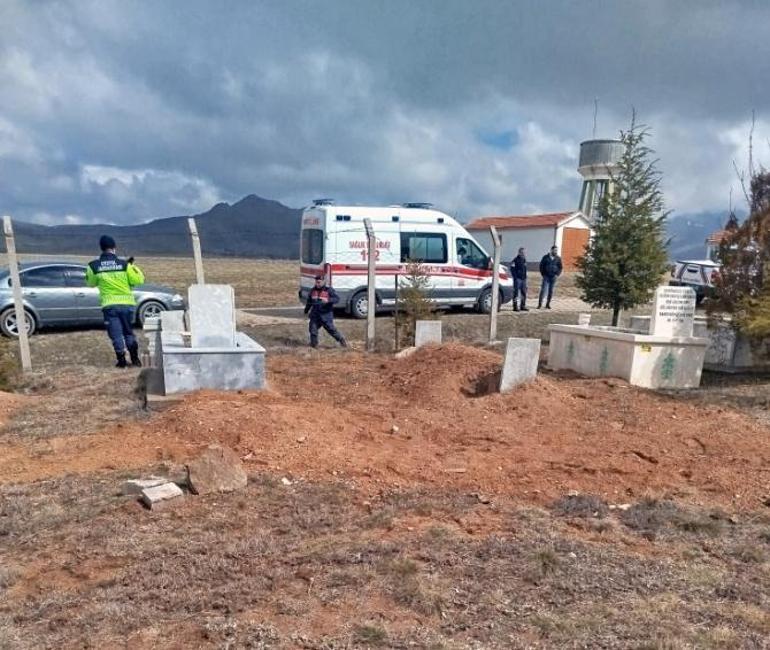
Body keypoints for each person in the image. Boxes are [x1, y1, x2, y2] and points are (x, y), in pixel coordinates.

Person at [86, 235, 146, 368]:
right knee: (128, 332)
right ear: (114, 248)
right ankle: (135, 360)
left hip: (110, 306)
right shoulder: (125, 265)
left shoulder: (93, 266)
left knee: (116, 334)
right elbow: (139, 280)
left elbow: (90, 283)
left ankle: (122, 361)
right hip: (127, 304)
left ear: (101, 248)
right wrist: (132, 266)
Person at [304, 275, 347, 348]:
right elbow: (309, 301)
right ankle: (314, 345)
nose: (318, 284)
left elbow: (337, 299)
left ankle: (341, 340)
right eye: (317, 282)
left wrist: (328, 300)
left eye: (319, 282)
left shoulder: (329, 290)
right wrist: (306, 310)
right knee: (312, 329)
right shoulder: (313, 290)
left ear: (323, 282)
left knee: (331, 330)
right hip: (315, 315)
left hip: (326, 315)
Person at [538, 245, 563, 309]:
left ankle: (548, 304)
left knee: (551, 291)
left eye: (556, 250)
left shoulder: (558, 258)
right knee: (543, 290)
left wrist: (557, 274)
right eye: (555, 250)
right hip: (546, 276)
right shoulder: (545, 257)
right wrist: (543, 274)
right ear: (551, 250)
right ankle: (540, 304)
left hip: (553, 277)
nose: (556, 251)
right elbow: (541, 266)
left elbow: (560, 267)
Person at [510, 247, 529, 311]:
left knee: (524, 293)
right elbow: (512, 269)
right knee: (516, 293)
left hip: (524, 279)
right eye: (522, 252)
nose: (523, 253)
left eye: (524, 252)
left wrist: (526, 277)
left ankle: (522, 306)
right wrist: (515, 277)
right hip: (518, 279)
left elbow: (525, 269)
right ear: (519, 252)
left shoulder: (524, 260)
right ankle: (515, 307)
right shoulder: (515, 260)